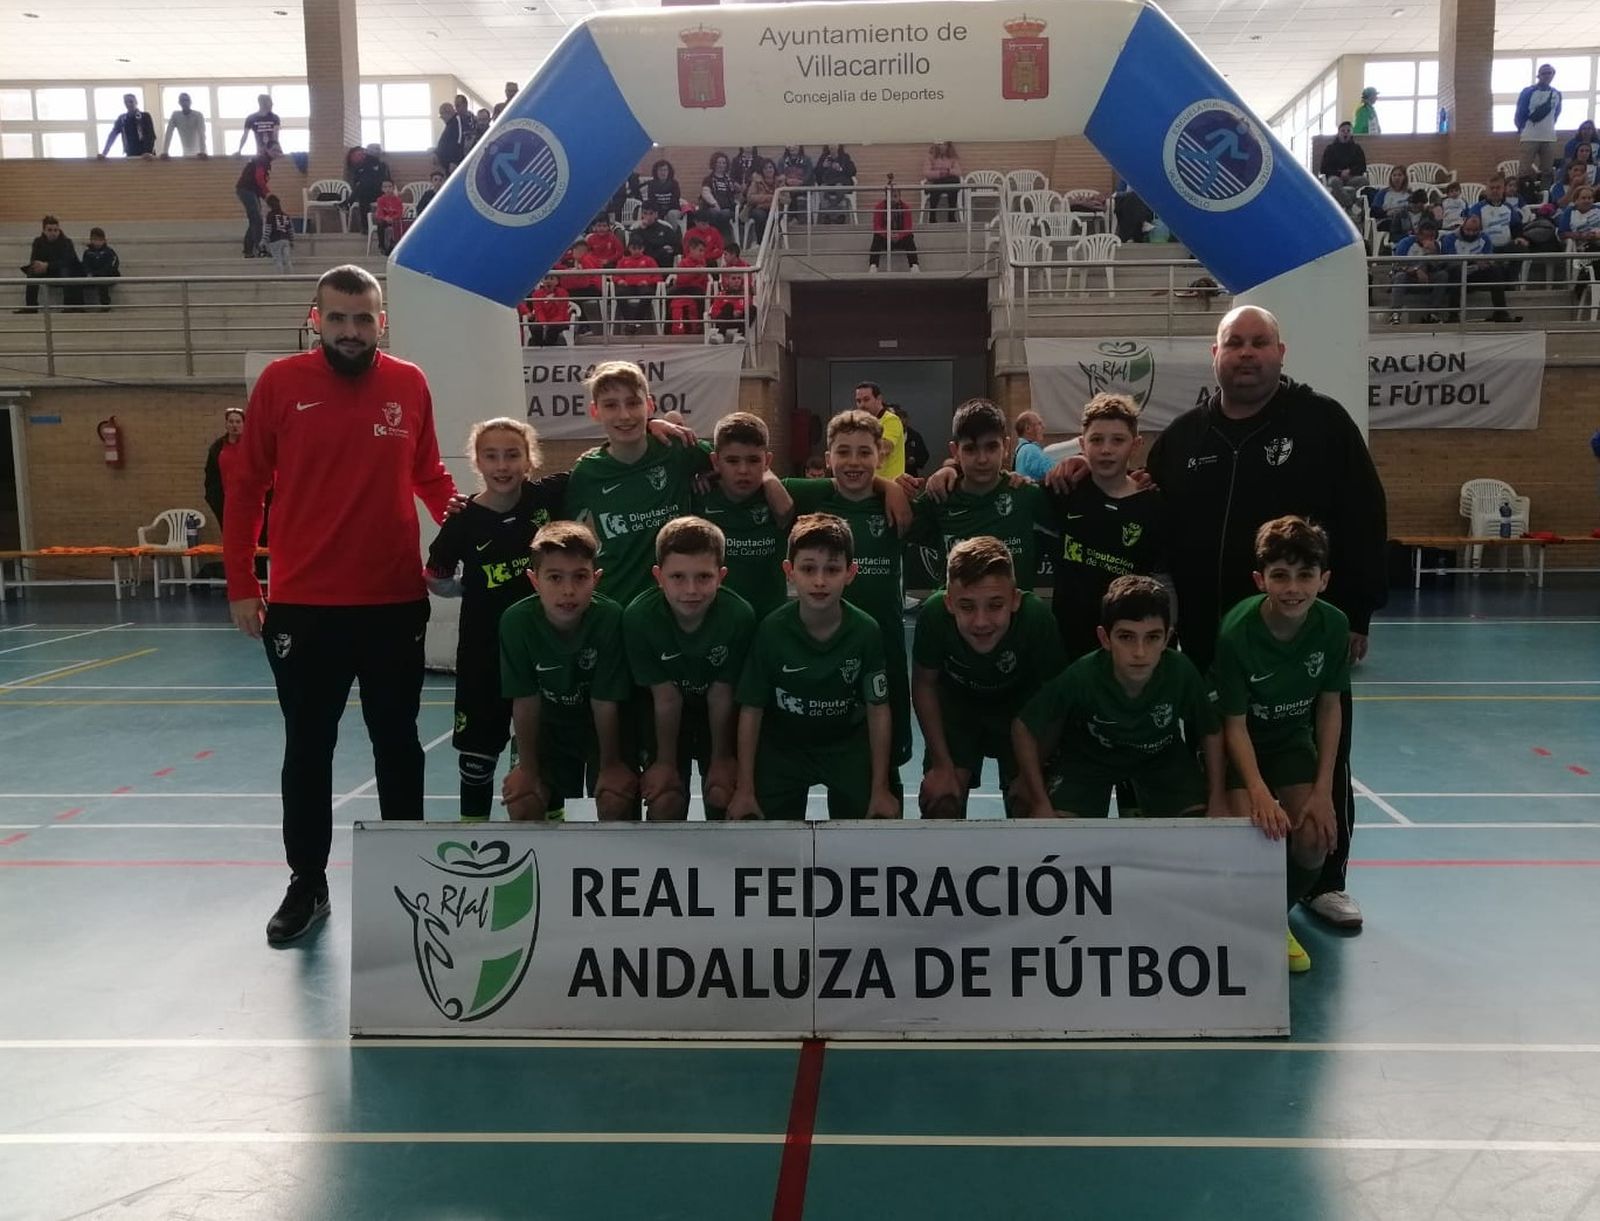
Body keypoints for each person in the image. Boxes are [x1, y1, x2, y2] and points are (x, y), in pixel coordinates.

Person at [224, 264, 458, 945]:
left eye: (363, 319)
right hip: (304, 606)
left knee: (398, 745)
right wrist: (242, 582)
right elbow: (247, 488)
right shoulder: (281, 384)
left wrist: (467, 530)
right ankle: (308, 882)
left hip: (392, 602)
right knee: (308, 748)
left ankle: (408, 875)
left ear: (380, 320)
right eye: (338, 319)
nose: (351, 331)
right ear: (316, 317)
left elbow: (431, 475)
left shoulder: (409, 383)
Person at [1136, 305, 1388, 932]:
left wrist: (1354, 611)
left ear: (1281, 353)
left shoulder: (1322, 423)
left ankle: (1325, 879)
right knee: (1210, 755)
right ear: (1215, 357)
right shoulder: (1186, 437)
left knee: (1324, 745)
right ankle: (1215, 881)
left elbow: (1364, 517)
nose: (1246, 354)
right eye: (1234, 344)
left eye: (1258, 343)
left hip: (1298, 632)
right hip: (1204, 635)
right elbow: (1144, 508)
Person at [1212, 517, 1349, 974]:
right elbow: (1232, 724)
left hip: (1291, 744)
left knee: (1314, 837)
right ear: (1260, 579)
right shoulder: (1236, 632)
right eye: (1280, 576)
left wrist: (1323, 790)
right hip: (1244, 746)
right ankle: (1235, 918)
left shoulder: (1333, 627)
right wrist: (1257, 791)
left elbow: (1330, 708)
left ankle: (1271, 917)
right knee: (1249, 835)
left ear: (1324, 580)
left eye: (1305, 576)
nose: (1293, 588)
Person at [424, 417, 568, 821]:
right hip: (483, 654)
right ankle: (474, 837)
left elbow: (601, 460)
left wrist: (662, 423)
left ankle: (555, 837)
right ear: (477, 462)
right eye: (491, 456)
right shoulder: (463, 519)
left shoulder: (547, 499)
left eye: (512, 455)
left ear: (529, 459)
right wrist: (466, 589)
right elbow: (435, 575)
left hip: (542, 652)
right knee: (477, 758)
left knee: (540, 759)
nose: (502, 465)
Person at [1012, 574, 1225, 822]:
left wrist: (1218, 797)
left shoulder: (1181, 671)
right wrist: (1039, 800)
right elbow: (1022, 727)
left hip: (1161, 756)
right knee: (1058, 831)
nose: (1140, 652)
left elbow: (1211, 731)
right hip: (1090, 757)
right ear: (1105, 639)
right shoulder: (1082, 675)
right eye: (1126, 637)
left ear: (1167, 638)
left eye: (1153, 637)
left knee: (1200, 826)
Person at [727, 513, 898, 821]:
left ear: (851, 572)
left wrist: (880, 787)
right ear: (789, 571)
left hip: (845, 747)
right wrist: (744, 789)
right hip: (784, 749)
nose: (820, 581)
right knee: (761, 832)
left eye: (832, 569)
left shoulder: (865, 631)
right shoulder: (771, 630)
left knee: (877, 818)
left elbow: (878, 708)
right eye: (808, 569)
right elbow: (751, 709)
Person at [784, 411, 918, 785]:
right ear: (828, 458)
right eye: (843, 452)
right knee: (829, 765)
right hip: (825, 660)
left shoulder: (898, 503)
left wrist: (889, 487)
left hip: (884, 654)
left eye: (864, 452)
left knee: (885, 774)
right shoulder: (811, 495)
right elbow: (761, 478)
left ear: (880, 455)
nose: (854, 462)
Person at [913, 536, 1065, 818]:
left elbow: (1055, 706)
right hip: (959, 710)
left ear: (1015, 599)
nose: (981, 622)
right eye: (967, 607)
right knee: (941, 802)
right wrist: (942, 764)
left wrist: (1031, 774)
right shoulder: (934, 615)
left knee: (1030, 803)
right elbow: (924, 684)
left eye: (995, 605)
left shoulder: (1036, 619)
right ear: (949, 603)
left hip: (1020, 710)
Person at [499, 521, 637, 822]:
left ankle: (617, 867)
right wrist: (528, 769)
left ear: (596, 579)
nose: (568, 591)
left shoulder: (611, 618)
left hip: (600, 728)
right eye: (555, 578)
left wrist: (612, 764)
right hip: (548, 727)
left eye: (580, 577)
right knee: (524, 801)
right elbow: (524, 700)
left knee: (616, 798)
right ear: (535, 581)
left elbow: (605, 701)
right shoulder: (516, 622)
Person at [625, 517, 756, 821]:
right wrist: (666, 763)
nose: (691, 589)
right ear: (658, 576)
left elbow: (722, 694)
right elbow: (666, 698)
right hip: (666, 716)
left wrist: (722, 757)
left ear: (721, 576)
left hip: (715, 715)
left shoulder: (738, 616)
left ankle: (725, 865)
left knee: (722, 790)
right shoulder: (639, 618)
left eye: (704, 577)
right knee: (664, 796)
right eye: (678, 577)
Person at [562, 361, 713, 610]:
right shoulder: (588, 472)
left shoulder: (676, 449)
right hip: (618, 602)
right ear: (595, 411)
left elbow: (738, 462)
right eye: (611, 405)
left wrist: (709, 476)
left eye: (633, 403)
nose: (624, 415)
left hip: (678, 604)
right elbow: (566, 541)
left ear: (650, 405)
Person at [1049, 393, 1169, 659]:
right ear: (1082, 444)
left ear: (1135, 445)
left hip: (1127, 647)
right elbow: (1009, 485)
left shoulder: (1154, 505)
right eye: (1096, 439)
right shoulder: (1064, 490)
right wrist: (951, 469)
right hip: (1067, 643)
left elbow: (1163, 579)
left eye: (1118, 440)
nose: (1106, 449)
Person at [918, 397, 1052, 589]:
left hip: (1014, 616)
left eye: (991, 447)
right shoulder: (940, 496)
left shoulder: (1026, 495)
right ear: (955, 451)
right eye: (971, 449)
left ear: (1006, 447)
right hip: (956, 615)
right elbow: (897, 522)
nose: (982, 459)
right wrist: (887, 487)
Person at [697, 412, 791, 620]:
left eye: (753, 460)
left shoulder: (786, 492)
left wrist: (770, 480)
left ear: (768, 461)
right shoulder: (697, 495)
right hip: (715, 624)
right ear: (715, 461)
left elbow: (851, 486)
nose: (743, 470)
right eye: (732, 461)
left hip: (769, 624)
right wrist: (651, 424)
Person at [1442, 213, 1520, 323]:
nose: (1471, 233)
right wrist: (1473, 260)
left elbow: (1488, 258)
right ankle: (1453, 315)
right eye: (1468, 230)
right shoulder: (1450, 239)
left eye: (1475, 231)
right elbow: (1450, 262)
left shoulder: (1485, 238)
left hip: (1476, 273)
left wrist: (1485, 263)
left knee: (1495, 271)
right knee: (1455, 272)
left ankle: (1501, 312)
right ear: (1463, 226)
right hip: (1456, 274)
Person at [16, 215, 84, 313]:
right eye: (50, 230)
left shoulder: (66, 242)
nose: (53, 233)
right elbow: (34, 259)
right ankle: (31, 307)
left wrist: (47, 265)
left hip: (64, 272)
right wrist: (39, 265)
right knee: (32, 271)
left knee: (65, 270)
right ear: (44, 231)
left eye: (56, 230)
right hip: (47, 271)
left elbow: (67, 262)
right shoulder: (38, 242)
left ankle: (68, 306)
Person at [1387, 220, 1448, 324]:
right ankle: (1395, 313)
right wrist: (1415, 270)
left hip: (1427, 276)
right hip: (1408, 276)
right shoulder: (1406, 243)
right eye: (1426, 236)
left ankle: (1432, 313)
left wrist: (1433, 255)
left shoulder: (1436, 246)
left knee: (1442, 276)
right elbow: (1397, 266)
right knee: (1400, 276)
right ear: (1418, 234)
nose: (1429, 239)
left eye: (1432, 236)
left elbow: (1438, 267)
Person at [1516, 64, 1562, 188]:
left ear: (1553, 75)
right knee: (1524, 170)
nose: (1547, 75)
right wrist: (1521, 128)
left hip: (1549, 137)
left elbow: (1556, 113)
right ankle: (1524, 195)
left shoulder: (1556, 93)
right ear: (1539, 75)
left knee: (1547, 171)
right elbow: (1520, 111)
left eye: (1549, 73)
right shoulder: (1528, 91)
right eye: (1544, 73)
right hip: (1530, 136)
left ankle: (1544, 196)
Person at [204, 408, 246, 527]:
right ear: (226, 424)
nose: (234, 425)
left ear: (244, 424)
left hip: (249, 502)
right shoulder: (217, 448)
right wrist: (213, 499)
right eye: (231, 422)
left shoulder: (252, 446)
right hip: (225, 502)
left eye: (238, 422)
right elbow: (210, 475)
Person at [853, 381, 904, 479]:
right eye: (858, 401)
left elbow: (884, 448)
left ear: (879, 399)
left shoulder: (891, 420)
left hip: (890, 484)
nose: (862, 405)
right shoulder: (862, 423)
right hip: (870, 483)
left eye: (866, 400)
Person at [613, 236, 661, 335]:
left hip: (643, 286)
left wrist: (647, 281)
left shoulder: (649, 260)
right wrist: (620, 280)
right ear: (629, 248)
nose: (636, 251)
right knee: (619, 293)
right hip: (628, 286)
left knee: (648, 294)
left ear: (643, 249)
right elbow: (615, 276)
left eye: (639, 248)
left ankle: (635, 322)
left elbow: (658, 276)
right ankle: (630, 321)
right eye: (634, 248)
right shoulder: (623, 261)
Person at [1318, 121, 1368, 214]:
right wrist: (1339, 173)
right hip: (1336, 177)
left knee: (1364, 181)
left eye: (1348, 131)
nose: (1345, 133)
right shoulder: (1330, 149)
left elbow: (1362, 166)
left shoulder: (1357, 149)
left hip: (1352, 177)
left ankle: (1346, 204)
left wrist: (1350, 172)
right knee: (1334, 182)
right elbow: (1324, 168)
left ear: (1351, 133)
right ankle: (1350, 207)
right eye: (1343, 130)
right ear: (1338, 133)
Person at [869, 183, 919, 272]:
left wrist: (899, 235)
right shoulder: (879, 207)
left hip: (901, 238)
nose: (892, 199)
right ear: (886, 196)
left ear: (900, 196)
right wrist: (888, 234)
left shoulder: (906, 208)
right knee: (876, 237)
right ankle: (873, 266)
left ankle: (914, 266)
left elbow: (908, 228)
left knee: (910, 238)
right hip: (885, 238)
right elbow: (877, 227)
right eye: (890, 196)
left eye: (895, 196)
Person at [707, 242, 750, 343]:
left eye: (725, 254)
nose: (736, 280)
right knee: (728, 306)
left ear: (733, 254)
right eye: (733, 278)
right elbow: (714, 312)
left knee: (752, 309)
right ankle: (720, 334)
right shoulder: (722, 294)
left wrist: (737, 312)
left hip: (739, 316)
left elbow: (749, 287)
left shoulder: (747, 268)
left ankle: (740, 335)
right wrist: (732, 311)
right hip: (725, 315)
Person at [561, 238, 605, 336]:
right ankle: (580, 325)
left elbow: (588, 277)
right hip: (588, 286)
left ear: (580, 250)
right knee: (570, 294)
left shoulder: (586, 259)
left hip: (594, 287)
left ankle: (584, 326)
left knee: (571, 296)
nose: (572, 253)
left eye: (574, 250)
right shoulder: (582, 260)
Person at [666, 237, 710, 336]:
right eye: (700, 250)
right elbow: (681, 280)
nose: (702, 253)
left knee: (700, 296)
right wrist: (694, 272)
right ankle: (668, 325)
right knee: (667, 295)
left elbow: (704, 281)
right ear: (691, 250)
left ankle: (699, 324)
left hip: (696, 289)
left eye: (703, 251)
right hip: (683, 288)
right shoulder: (684, 263)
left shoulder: (703, 263)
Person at [235, 147, 273, 257]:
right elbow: (259, 179)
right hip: (247, 190)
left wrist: (267, 198)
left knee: (254, 220)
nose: (278, 153)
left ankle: (248, 250)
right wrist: (268, 194)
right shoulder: (262, 160)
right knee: (257, 219)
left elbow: (258, 184)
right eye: (275, 150)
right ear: (268, 150)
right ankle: (260, 248)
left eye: (279, 150)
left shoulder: (265, 162)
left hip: (250, 191)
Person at [98, 93, 157, 159]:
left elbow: (151, 135)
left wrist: (148, 152)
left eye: (131, 101)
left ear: (136, 102)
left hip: (146, 156)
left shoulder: (145, 116)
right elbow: (112, 135)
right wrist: (104, 153)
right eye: (126, 102)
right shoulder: (122, 118)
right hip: (130, 155)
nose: (129, 104)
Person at [519, 273, 571, 346]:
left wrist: (550, 324)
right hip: (542, 321)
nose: (548, 281)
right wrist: (544, 323)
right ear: (542, 281)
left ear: (557, 281)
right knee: (536, 329)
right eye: (546, 278)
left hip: (559, 321)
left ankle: (549, 346)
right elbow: (538, 311)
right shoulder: (536, 294)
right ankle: (539, 347)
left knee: (553, 329)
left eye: (551, 279)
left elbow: (561, 312)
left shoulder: (563, 293)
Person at [697, 152, 738, 241]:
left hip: (728, 209)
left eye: (724, 163)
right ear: (714, 164)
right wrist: (715, 204)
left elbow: (736, 194)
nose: (721, 165)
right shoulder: (708, 179)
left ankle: (722, 239)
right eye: (719, 162)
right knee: (714, 213)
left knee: (725, 213)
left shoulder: (730, 180)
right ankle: (715, 237)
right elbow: (705, 193)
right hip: (712, 208)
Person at [79, 227, 120, 311]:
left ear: (104, 240)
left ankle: (105, 305)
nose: (97, 242)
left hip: (107, 275)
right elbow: (85, 265)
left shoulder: (109, 251)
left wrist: (99, 273)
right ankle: (79, 306)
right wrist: (89, 273)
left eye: (100, 239)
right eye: (95, 239)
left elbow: (113, 264)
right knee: (77, 281)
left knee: (102, 280)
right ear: (91, 240)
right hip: (93, 275)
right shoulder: (87, 253)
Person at [814, 144, 857, 223]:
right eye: (830, 145)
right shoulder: (824, 158)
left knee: (839, 187)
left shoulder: (845, 157)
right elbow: (816, 174)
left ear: (839, 146)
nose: (832, 147)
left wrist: (840, 168)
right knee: (822, 188)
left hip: (842, 182)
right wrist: (823, 166)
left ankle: (839, 216)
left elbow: (852, 172)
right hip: (827, 183)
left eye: (835, 145)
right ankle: (827, 215)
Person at [629, 203, 680, 269]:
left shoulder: (665, 229)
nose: (648, 217)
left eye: (651, 213)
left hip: (661, 266)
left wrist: (671, 249)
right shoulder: (637, 231)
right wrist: (641, 230)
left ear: (656, 214)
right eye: (645, 213)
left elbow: (677, 247)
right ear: (642, 214)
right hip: (642, 266)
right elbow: (630, 249)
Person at [922, 141, 963, 223]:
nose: (942, 147)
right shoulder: (930, 158)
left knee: (954, 185)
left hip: (948, 183)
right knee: (937, 187)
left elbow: (958, 172)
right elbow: (926, 173)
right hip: (936, 183)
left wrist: (948, 171)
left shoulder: (952, 159)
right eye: (940, 145)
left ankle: (951, 216)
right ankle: (932, 217)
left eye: (944, 145)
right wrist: (940, 173)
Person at [160, 92, 208, 159]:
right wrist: (165, 152)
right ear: (179, 102)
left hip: (200, 153)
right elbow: (168, 133)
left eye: (187, 100)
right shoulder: (175, 115)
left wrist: (203, 151)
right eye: (182, 100)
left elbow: (202, 134)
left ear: (190, 102)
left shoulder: (198, 115)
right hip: (186, 152)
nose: (185, 102)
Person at [1012, 411, 1054, 480]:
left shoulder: (1021, 449)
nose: (1044, 427)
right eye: (1039, 424)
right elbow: (1054, 473)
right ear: (1028, 428)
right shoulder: (1030, 449)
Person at [743, 161, 778, 238]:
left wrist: (771, 200)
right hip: (758, 208)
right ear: (762, 171)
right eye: (765, 168)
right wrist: (770, 197)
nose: (768, 170)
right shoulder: (756, 181)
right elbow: (750, 198)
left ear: (774, 169)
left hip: (776, 208)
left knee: (774, 216)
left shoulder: (780, 181)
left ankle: (772, 242)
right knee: (760, 215)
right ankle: (760, 243)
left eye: (770, 167)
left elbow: (786, 199)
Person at [644, 159, 684, 224]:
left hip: (673, 209)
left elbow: (675, 200)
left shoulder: (674, 183)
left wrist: (665, 211)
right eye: (660, 170)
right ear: (656, 172)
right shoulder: (651, 184)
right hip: (657, 210)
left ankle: (671, 233)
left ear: (669, 171)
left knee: (671, 214)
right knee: (651, 213)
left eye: (665, 170)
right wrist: (659, 211)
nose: (663, 172)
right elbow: (651, 200)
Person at [372, 180, 406, 256]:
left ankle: (392, 247)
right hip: (384, 220)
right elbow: (380, 212)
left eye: (390, 187)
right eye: (385, 187)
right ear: (382, 189)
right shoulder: (380, 200)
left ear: (393, 188)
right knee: (380, 224)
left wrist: (392, 218)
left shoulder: (398, 200)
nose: (388, 189)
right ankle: (382, 246)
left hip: (395, 220)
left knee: (397, 226)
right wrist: (386, 218)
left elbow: (399, 213)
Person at [435, 102, 468, 173]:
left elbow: (459, 141)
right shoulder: (450, 124)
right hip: (447, 165)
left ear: (448, 112)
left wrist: (454, 161)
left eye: (442, 115)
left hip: (453, 165)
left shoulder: (457, 121)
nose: (442, 118)